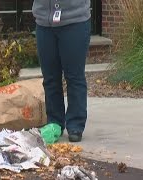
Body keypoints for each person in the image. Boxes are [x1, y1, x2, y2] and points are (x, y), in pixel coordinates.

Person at [32, 0, 91, 142]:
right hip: (44, 23)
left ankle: (76, 125)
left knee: (74, 77)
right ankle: (55, 122)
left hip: (74, 21)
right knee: (50, 78)